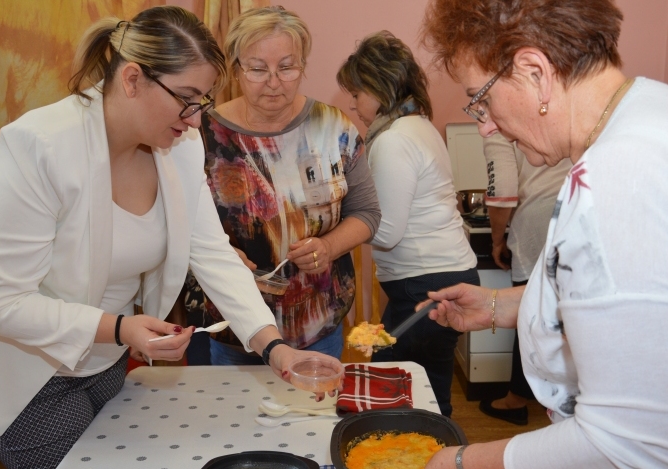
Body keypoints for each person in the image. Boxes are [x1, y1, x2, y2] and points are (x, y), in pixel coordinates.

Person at [0, 6, 342, 468]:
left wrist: (273, 347)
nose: (196, 120)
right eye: (186, 98)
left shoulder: (179, 145)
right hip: (27, 376)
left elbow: (212, 253)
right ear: (132, 79)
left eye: (202, 101)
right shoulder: (37, 147)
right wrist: (119, 327)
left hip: (107, 362)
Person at [421, 0, 668, 467]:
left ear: (535, 72)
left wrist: (460, 461)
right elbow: (626, 299)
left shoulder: (617, 181)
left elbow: (633, 444)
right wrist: (499, 304)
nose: (486, 123)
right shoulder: (659, 106)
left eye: (482, 99)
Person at [184, 6, 381, 365]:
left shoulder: (333, 127)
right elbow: (174, 227)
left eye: (287, 67)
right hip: (232, 328)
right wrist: (218, 256)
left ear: (303, 65)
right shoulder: (201, 136)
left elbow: (367, 214)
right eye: (258, 69)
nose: (273, 82)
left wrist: (327, 246)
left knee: (310, 418)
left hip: (317, 326)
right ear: (236, 69)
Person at [335, 31, 478, 418]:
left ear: (379, 88)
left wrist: (339, 220)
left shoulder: (394, 140)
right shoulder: (420, 126)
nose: (352, 104)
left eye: (356, 93)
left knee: (395, 390)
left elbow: (385, 230)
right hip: (438, 278)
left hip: (426, 284)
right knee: (430, 390)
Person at [479, 133, 570, 425]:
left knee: (531, 313)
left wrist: (496, 240)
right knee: (567, 314)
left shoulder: (495, 127)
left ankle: (516, 398)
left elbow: (502, 192)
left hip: (537, 222)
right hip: (574, 211)